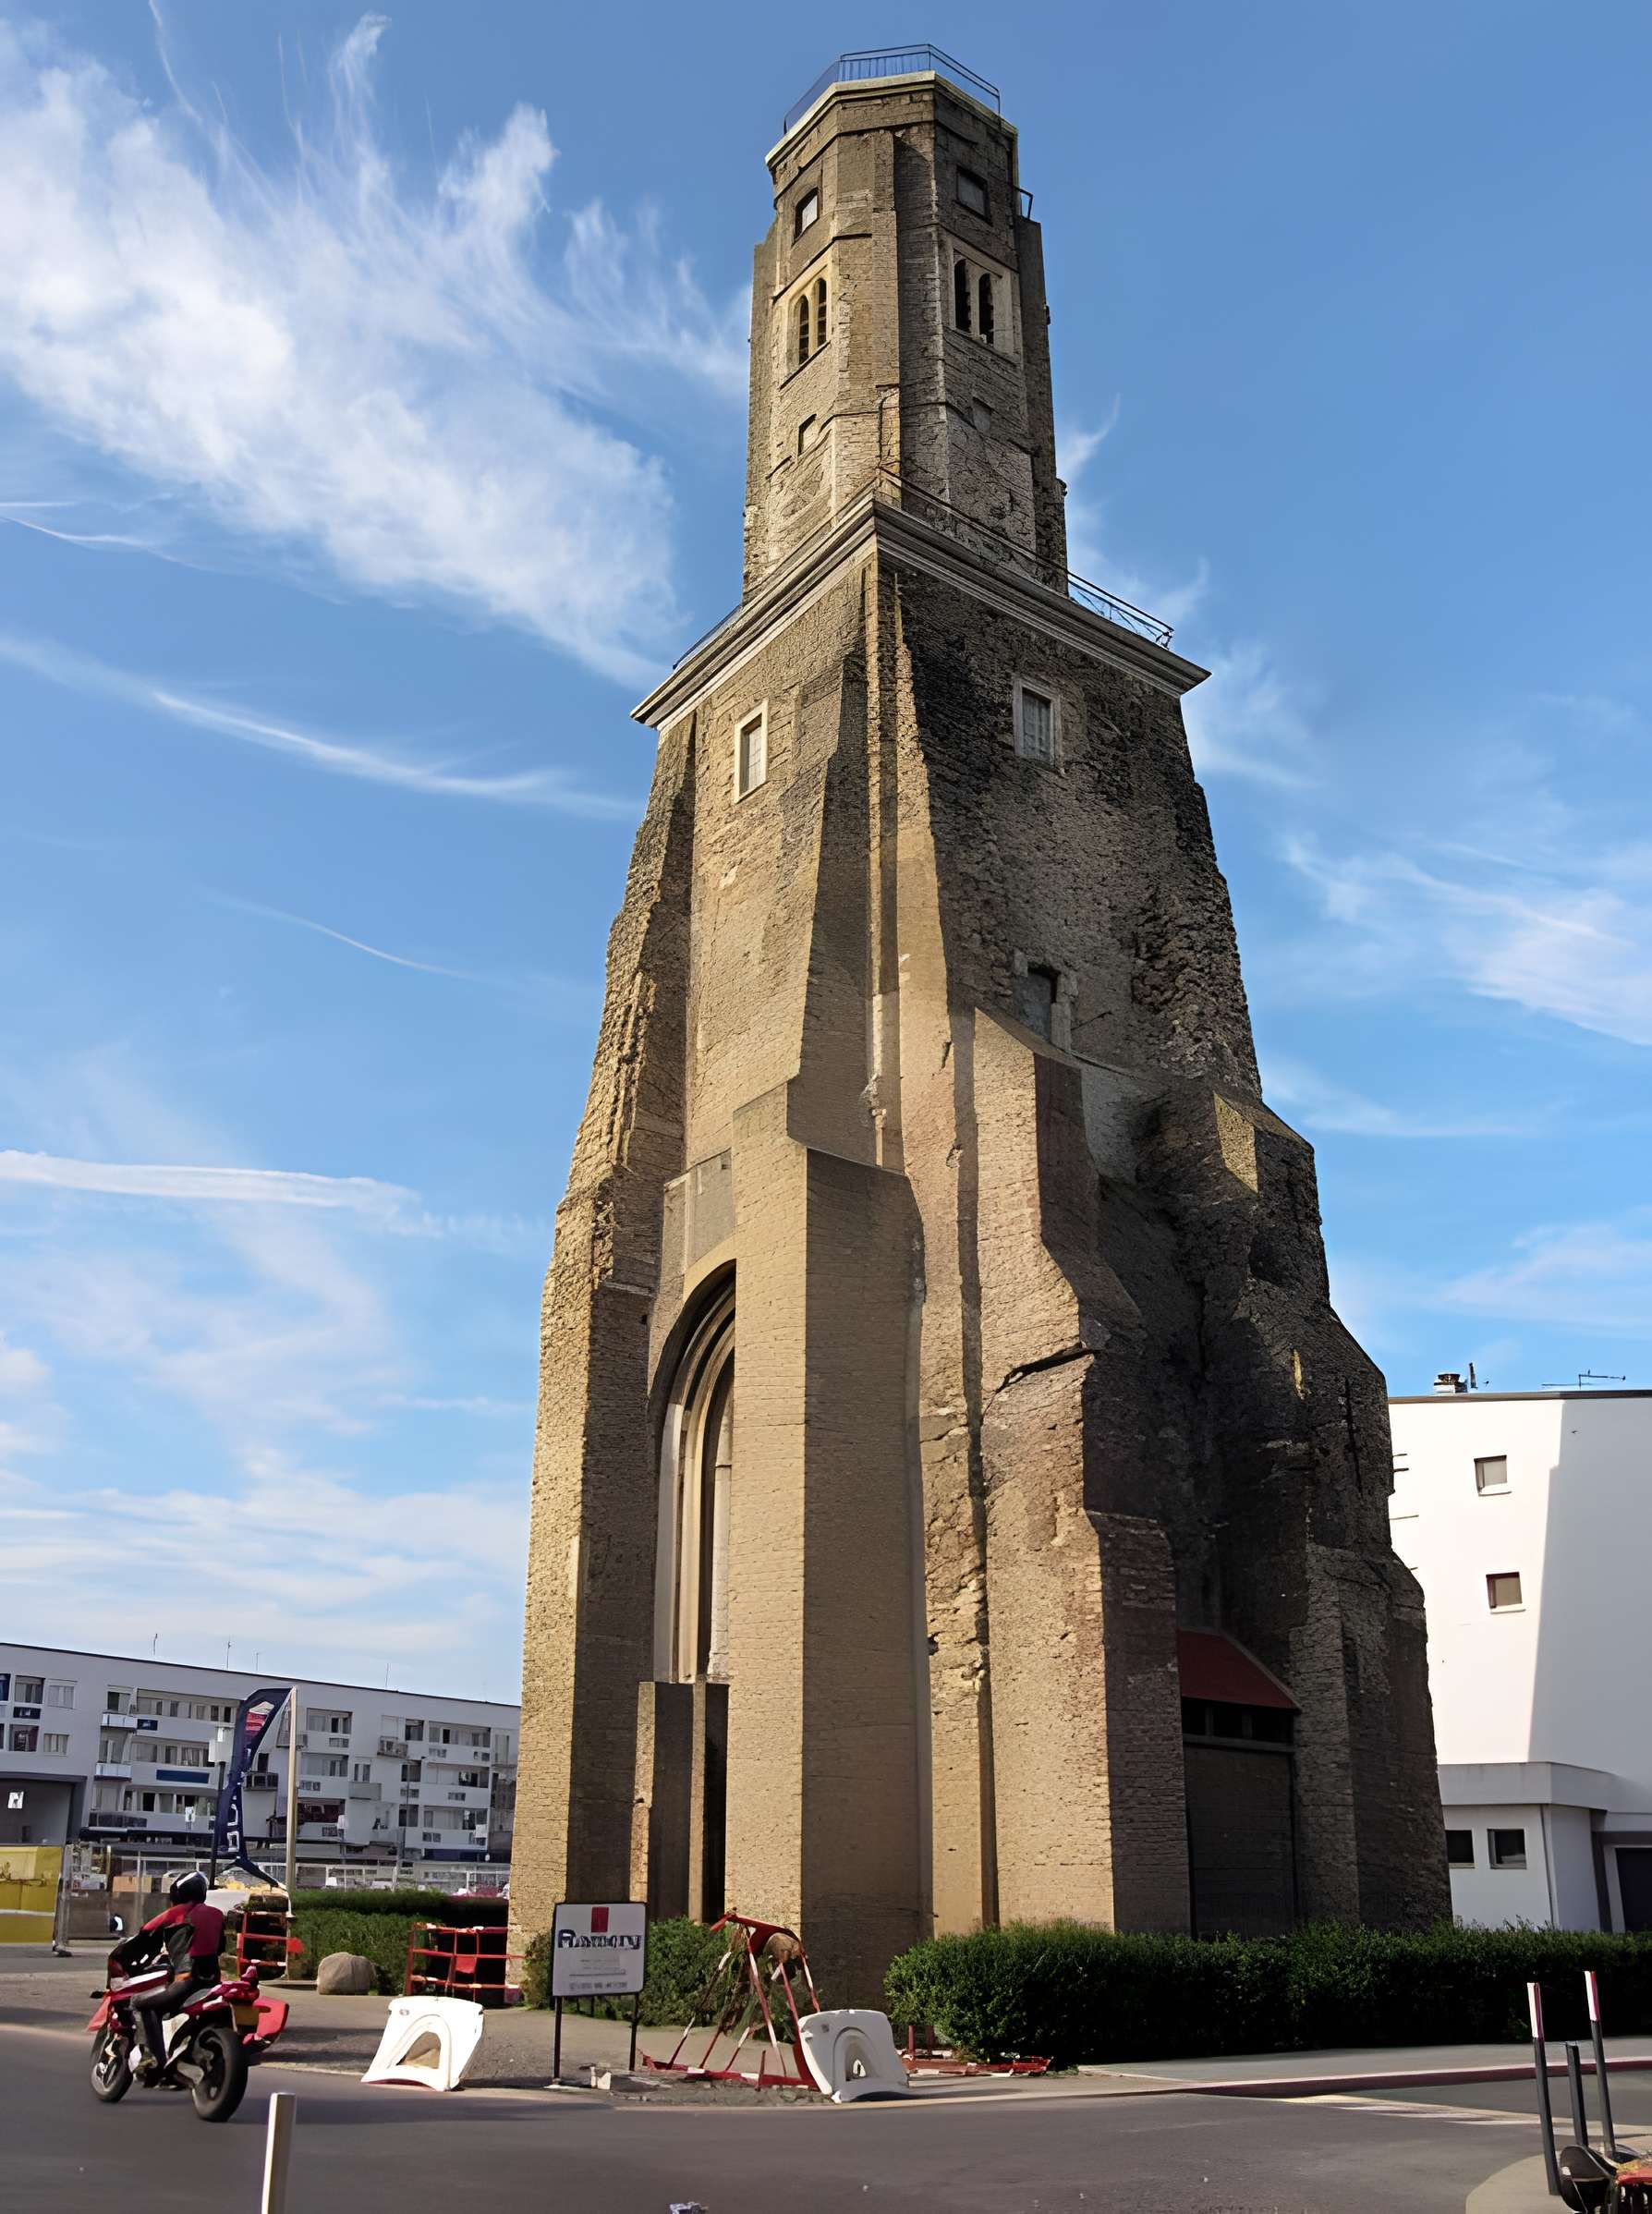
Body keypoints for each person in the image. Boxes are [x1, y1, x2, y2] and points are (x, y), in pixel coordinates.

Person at [114, 1870, 226, 2078]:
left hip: (186, 1981)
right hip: (212, 1981)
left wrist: (122, 1957)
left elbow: (144, 1934)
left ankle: (152, 2058)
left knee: (140, 2004)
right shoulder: (217, 1914)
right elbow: (220, 1947)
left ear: (178, 1893)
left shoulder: (176, 1913)